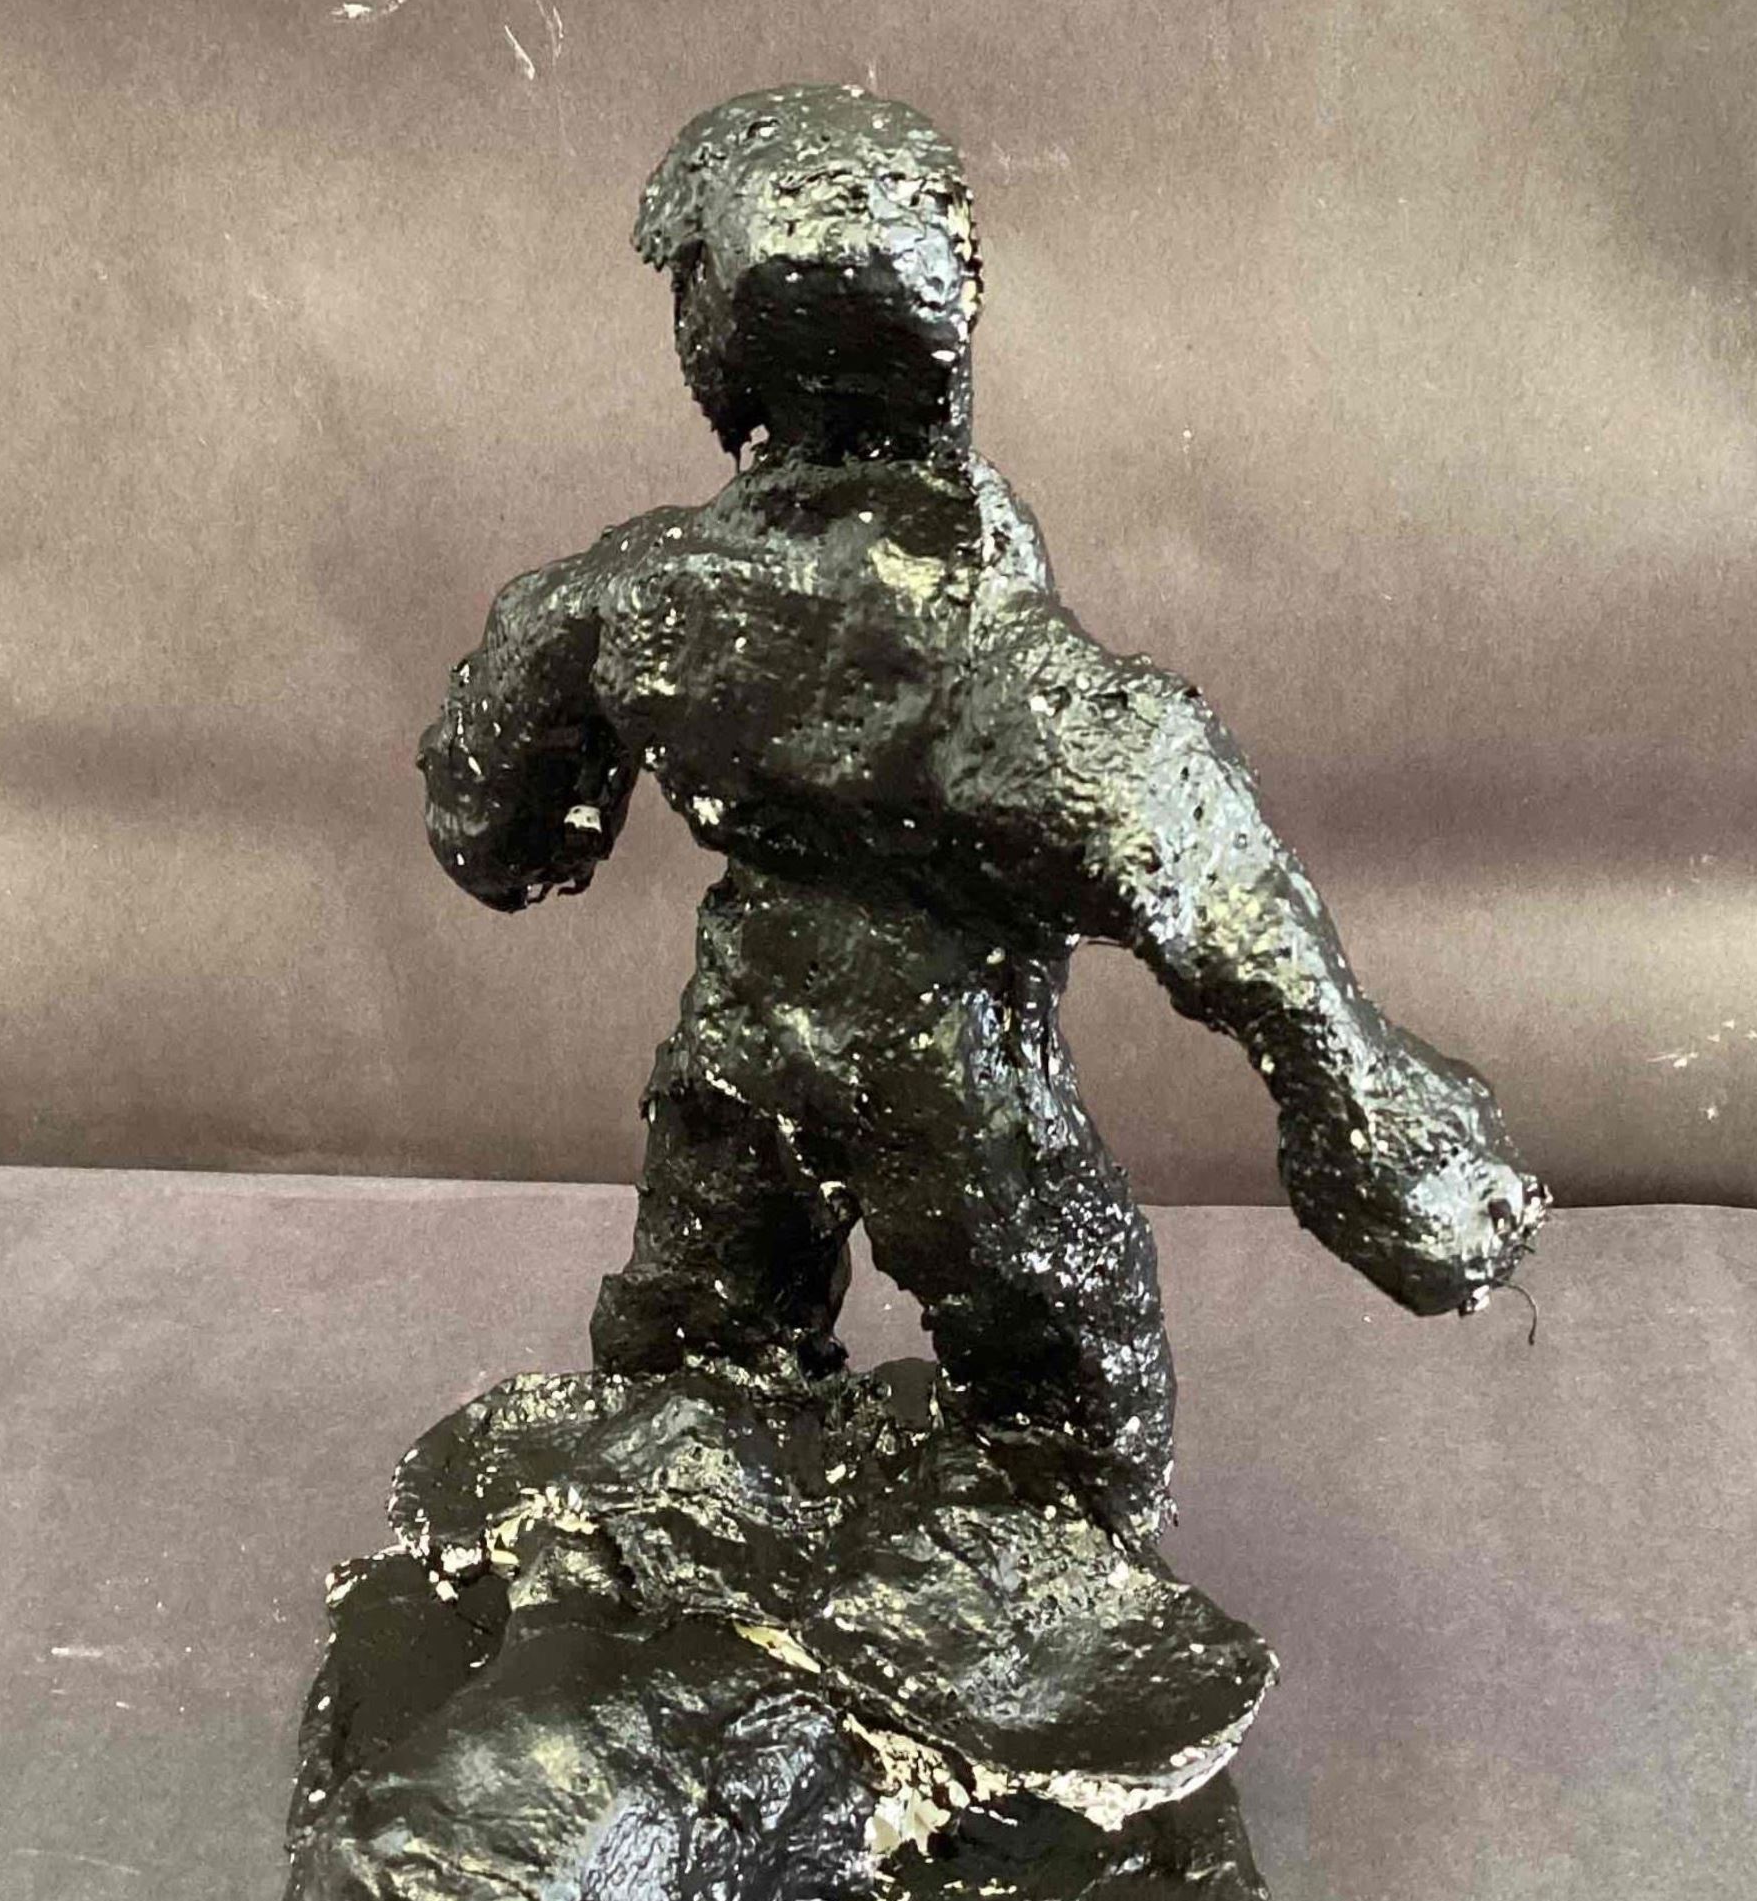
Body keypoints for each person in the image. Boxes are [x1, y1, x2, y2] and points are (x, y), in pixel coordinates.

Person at [419, 85, 1544, 1539]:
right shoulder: (1011, 674)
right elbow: (1218, 897)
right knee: (1069, 1433)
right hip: (951, 1086)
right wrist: (1364, 1101)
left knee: (700, 1354)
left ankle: (719, 1522)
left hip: (743, 1056)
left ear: (717, 342)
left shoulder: (630, 603)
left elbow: (488, 838)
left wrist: (532, 756)